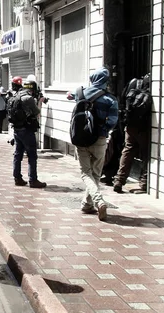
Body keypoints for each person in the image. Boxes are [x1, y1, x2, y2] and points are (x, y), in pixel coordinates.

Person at [67, 67, 119, 221]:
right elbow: (113, 121)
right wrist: (103, 130)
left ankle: (92, 203)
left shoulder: (81, 92)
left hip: (80, 139)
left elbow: (68, 95)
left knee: (85, 173)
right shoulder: (111, 99)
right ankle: (93, 203)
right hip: (100, 140)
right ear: (106, 81)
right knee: (95, 173)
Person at [113, 73, 151, 194]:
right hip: (144, 128)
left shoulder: (133, 83)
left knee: (128, 150)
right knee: (147, 154)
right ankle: (144, 183)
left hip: (130, 125)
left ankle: (119, 180)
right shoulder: (152, 87)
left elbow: (123, 98)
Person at [7, 76, 46, 188]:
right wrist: (40, 102)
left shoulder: (14, 96)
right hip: (27, 130)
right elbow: (37, 113)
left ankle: (17, 178)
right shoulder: (28, 98)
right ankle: (33, 180)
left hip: (16, 129)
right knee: (32, 155)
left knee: (18, 154)